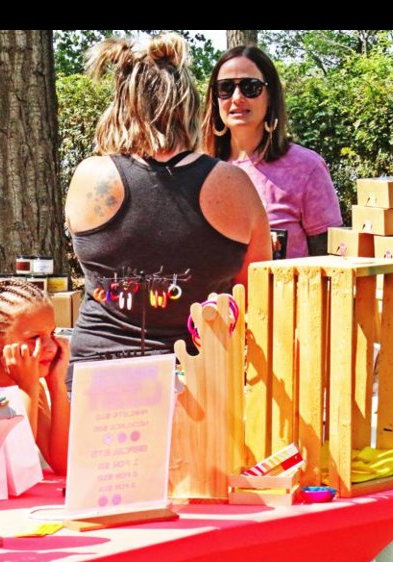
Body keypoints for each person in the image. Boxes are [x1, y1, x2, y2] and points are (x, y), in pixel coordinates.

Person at [64, 33, 271, 387]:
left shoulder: (90, 177)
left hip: (98, 378)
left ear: (122, 104)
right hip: (197, 382)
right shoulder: (234, 186)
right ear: (188, 105)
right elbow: (256, 291)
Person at [201, 45, 343, 258]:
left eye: (250, 87)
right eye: (226, 88)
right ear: (215, 99)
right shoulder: (199, 169)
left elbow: (332, 263)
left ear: (270, 96)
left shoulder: (307, 168)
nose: (237, 97)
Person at [0, 279, 70, 475]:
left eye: (52, 333)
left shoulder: (32, 387)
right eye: (34, 338)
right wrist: (27, 388)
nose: (51, 347)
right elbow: (16, 466)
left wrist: (57, 385)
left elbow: (64, 463)